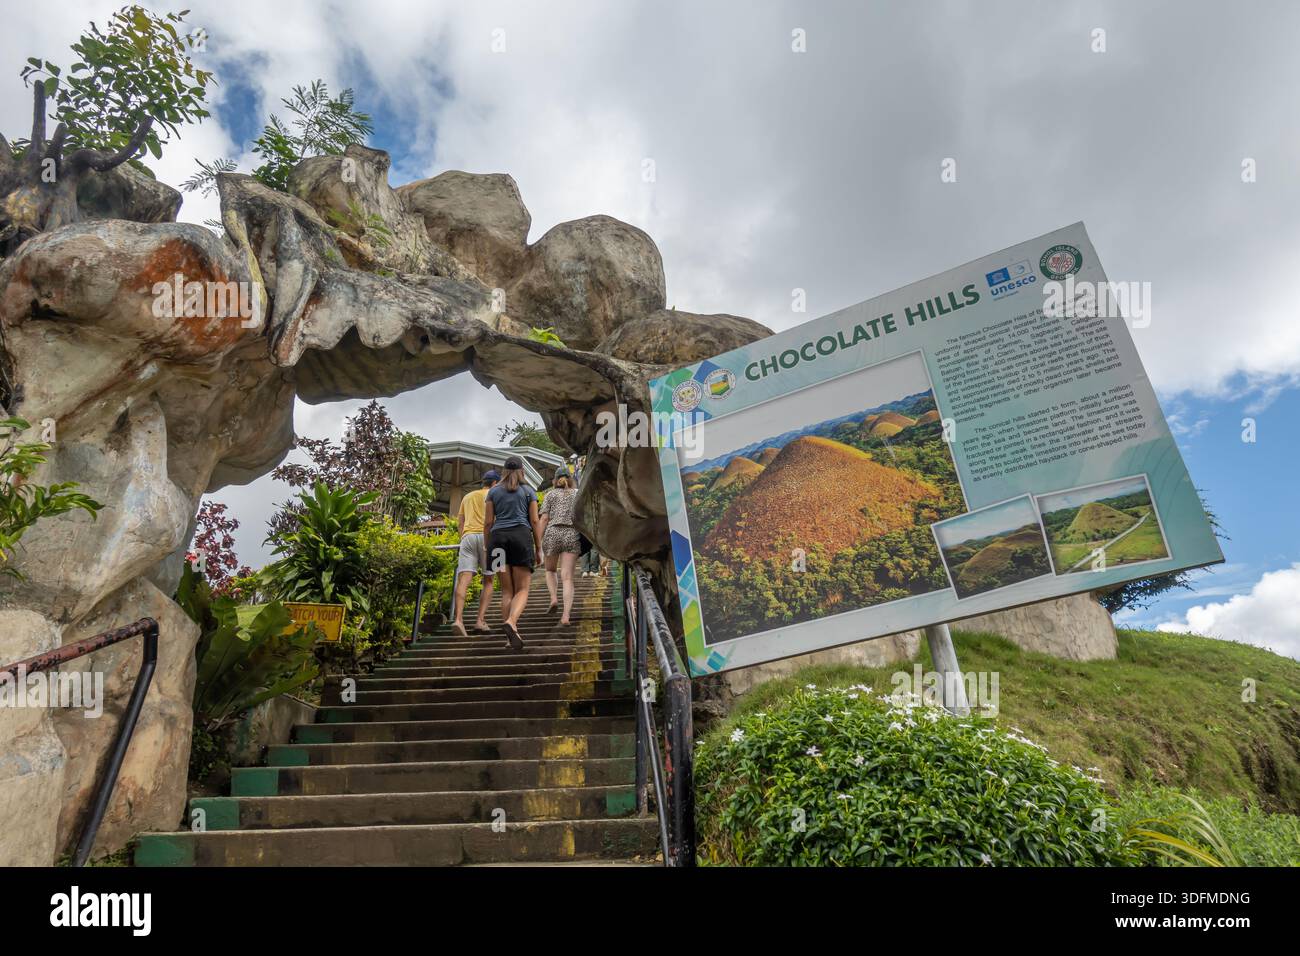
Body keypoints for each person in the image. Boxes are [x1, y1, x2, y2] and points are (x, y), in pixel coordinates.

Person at [484, 455, 543, 650]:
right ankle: (512, 621)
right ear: (522, 471)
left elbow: (488, 522)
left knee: (507, 591)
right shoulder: (528, 491)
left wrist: (487, 547)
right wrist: (539, 548)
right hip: (520, 539)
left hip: (497, 540)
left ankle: (509, 638)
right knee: (523, 589)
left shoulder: (493, 492)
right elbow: (535, 521)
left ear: (504, 471)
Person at [450, 469, 499, 637]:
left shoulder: (467, 496)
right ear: (495, 483)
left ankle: (458, 620)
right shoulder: (496, 495)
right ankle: (480, 621)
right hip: (491, 538)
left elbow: (460, 521)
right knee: (489, 580)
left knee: (464, 578)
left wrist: (463, 537)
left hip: (468, 538)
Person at [539, 473, 580, 625]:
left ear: (554, 480)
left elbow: (543, 519)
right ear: (571, 479)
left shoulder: (550, 494)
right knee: (567, 577)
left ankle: (554, 598)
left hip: (552, 532)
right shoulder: (577, 494)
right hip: (571, 533)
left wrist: (538, 540)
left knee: (550, 570)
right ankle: (565, 616)